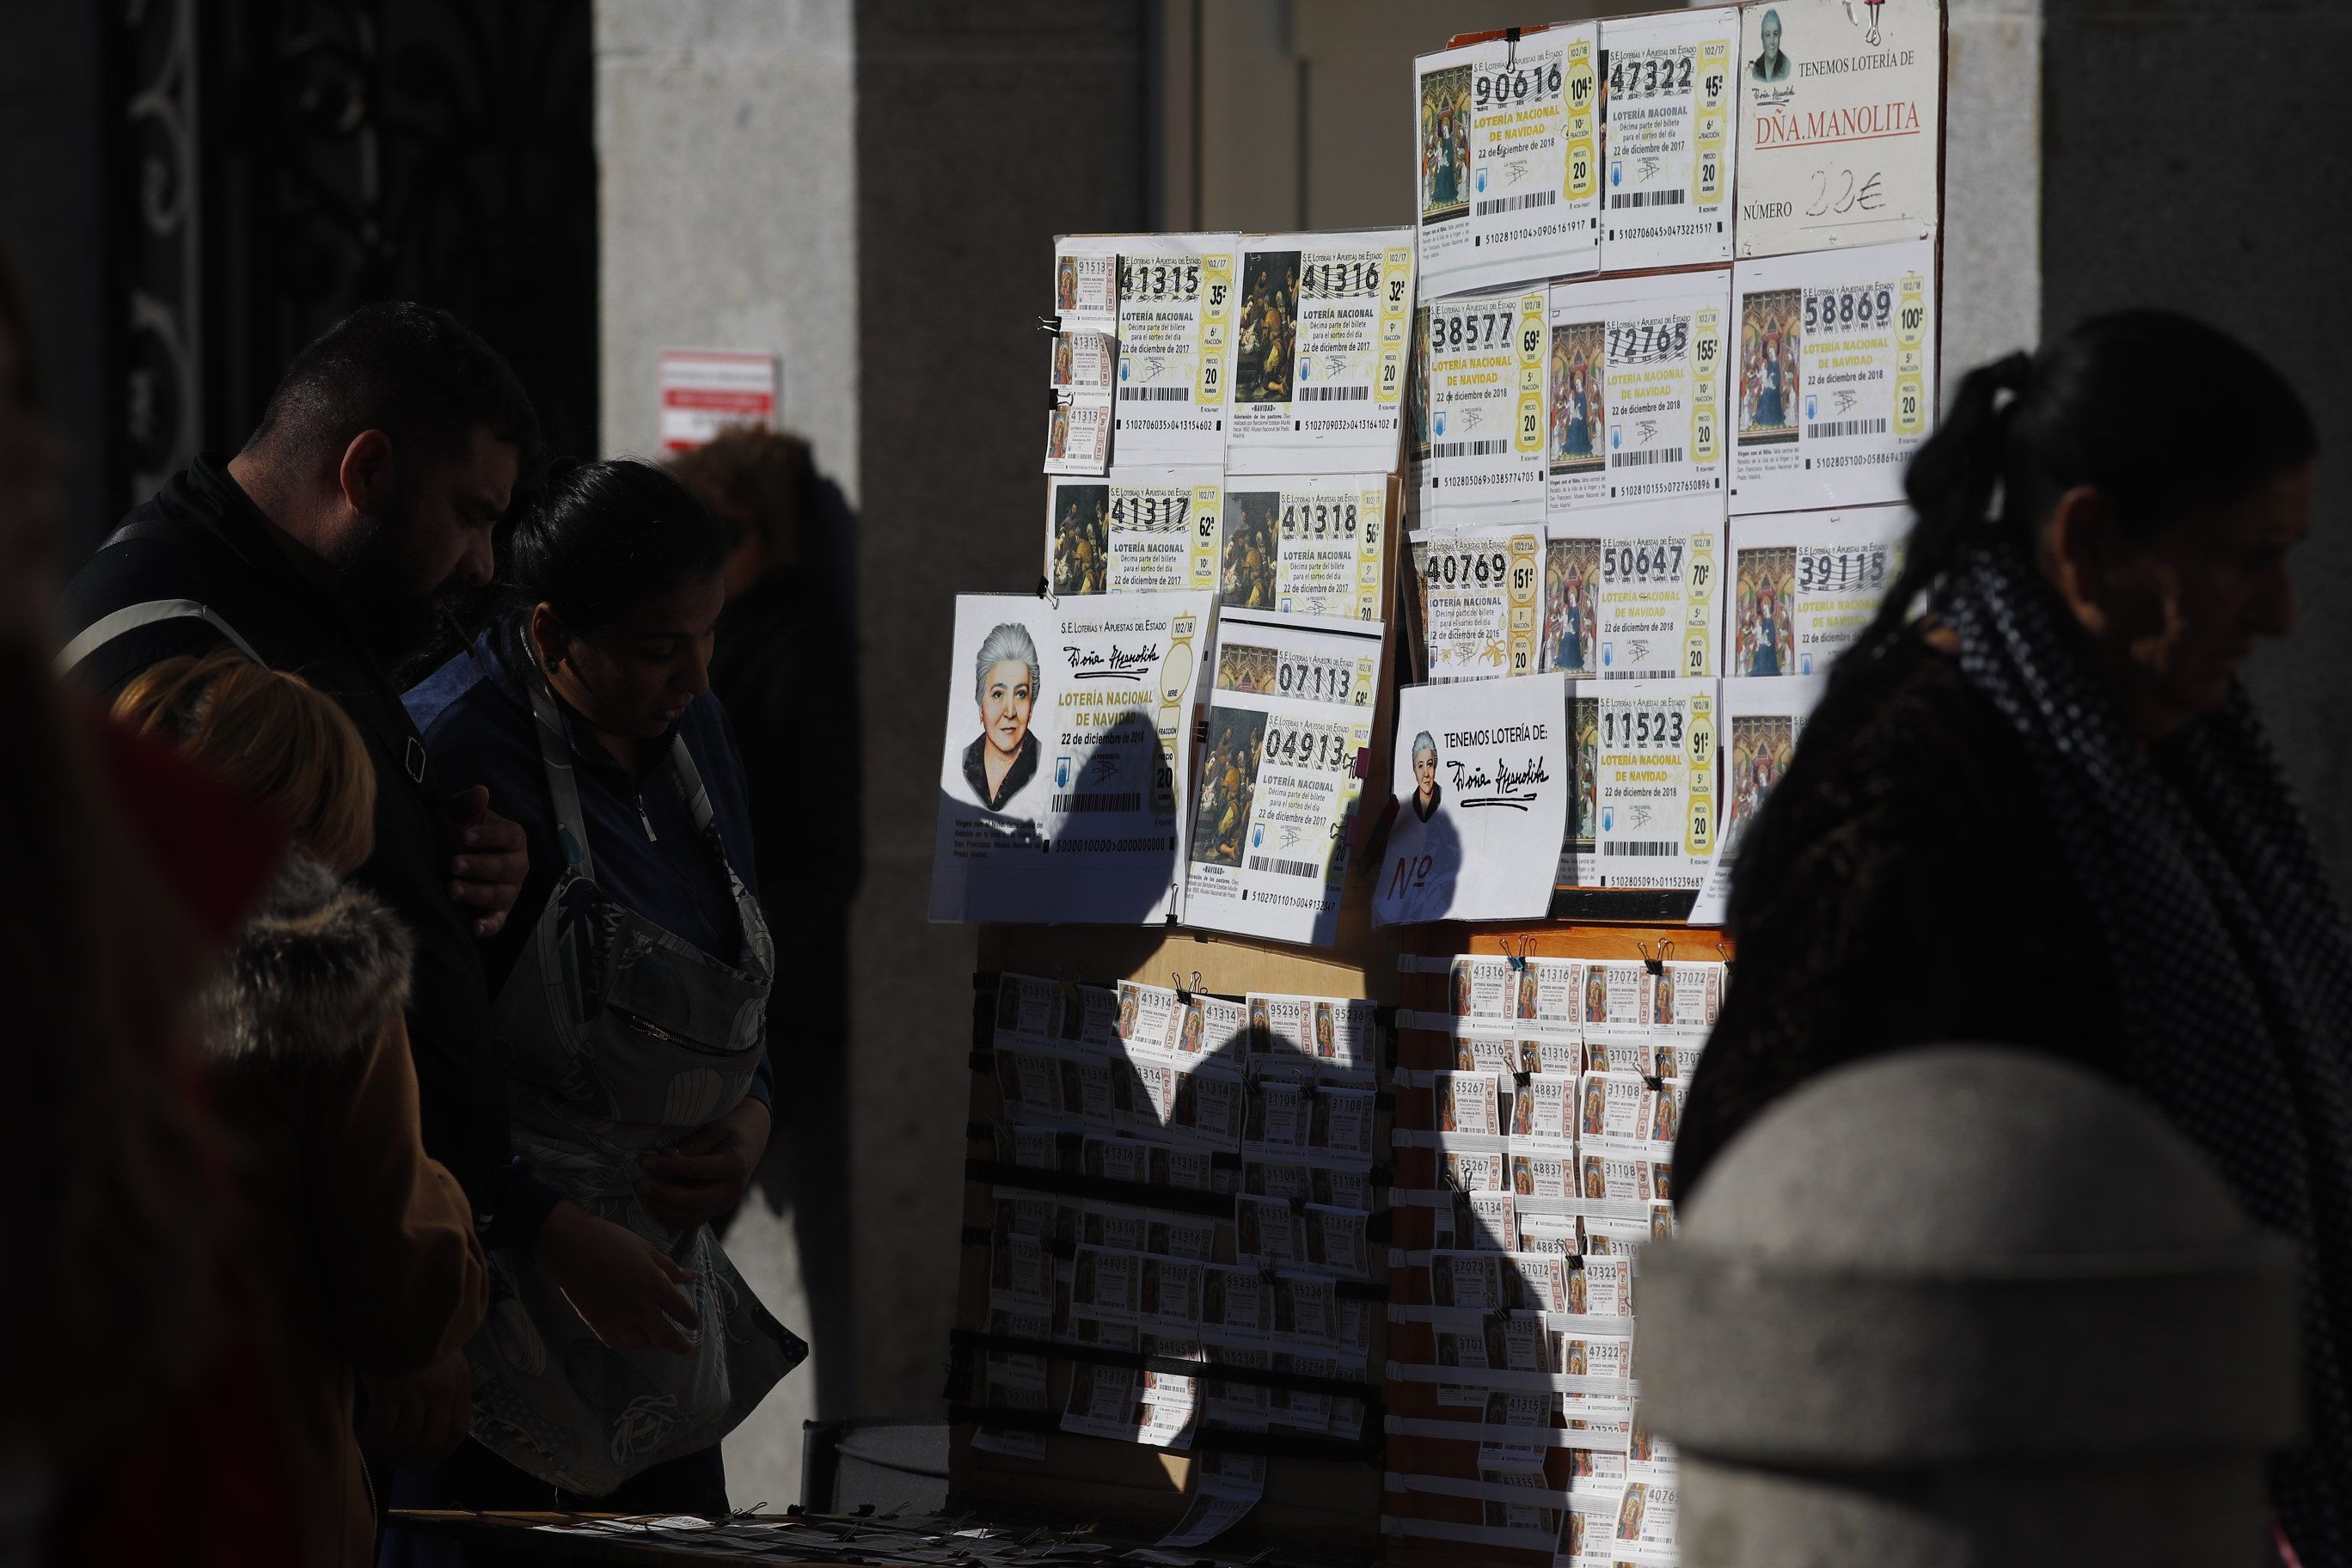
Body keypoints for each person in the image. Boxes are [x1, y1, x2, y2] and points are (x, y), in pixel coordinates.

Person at [1673, 312, 2352, 1564]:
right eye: (2246, 559)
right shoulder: (1914, 796)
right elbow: (1759, 1183)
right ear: (2090, 545)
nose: (2285, 614)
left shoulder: (2179, 765)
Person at [53, 307, 545, 1421]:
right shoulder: (167, 646)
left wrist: (479, 866)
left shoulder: (300, 599)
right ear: (365, 469)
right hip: (258, 1363)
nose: (483, 566)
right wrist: (383, 1332)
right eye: (471, 516)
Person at [404, 459, 806, 1510]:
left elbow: (746, 958)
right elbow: (400, 1068)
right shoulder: (450, 754)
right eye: (656, 650)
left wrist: (754, 1109)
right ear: (547, 636)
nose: (697, 678)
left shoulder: (695, 729)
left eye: (710, 634)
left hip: (660, 1307)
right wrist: (542, 1224)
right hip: (491, 1314)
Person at [113, 652, 489, 1567]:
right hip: (253, 1488)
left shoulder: (57, 960)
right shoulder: (328, 985)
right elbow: (403, 1289)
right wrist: (458, 1224)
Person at [667, 429, 861, 1424]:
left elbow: (830, 848)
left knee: (676, 1248)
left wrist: (739, 961)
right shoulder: (731, 635)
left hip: (759, 1001)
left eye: (720, 535)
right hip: (716, 995)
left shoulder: (788, 639)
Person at [964, 622, 1043, 811]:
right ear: (980, 703)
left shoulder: (1043, 762)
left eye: (1021, 694)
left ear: (1031, 706)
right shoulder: (964, 762)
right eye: (998, 694)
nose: (1010, 712)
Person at [1409, 731, 1443, 822]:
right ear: (1415, 770)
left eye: (1429, 764)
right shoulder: (1411, 802)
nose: (1426, 774)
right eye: (1420, 766)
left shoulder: (1442, 796)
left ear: (1435, 767)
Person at [1750, 8, 1791, 82]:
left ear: (1779, 36)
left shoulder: (1786, 65)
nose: (1772, 41)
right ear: (1762, 37)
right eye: (1768, 35)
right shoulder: (1756, 69)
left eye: (1775, 34)